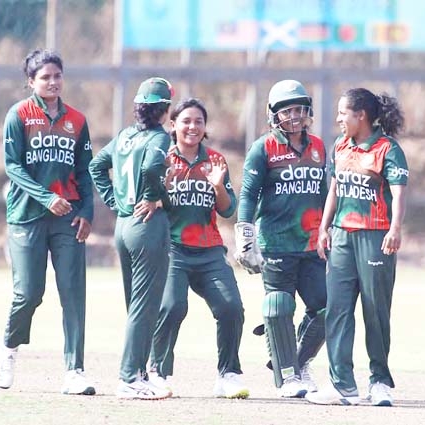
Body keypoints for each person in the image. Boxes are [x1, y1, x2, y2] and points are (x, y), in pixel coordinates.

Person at [0, 48, 95, 395]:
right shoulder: (18, 115)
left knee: (73, 292)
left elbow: (84, 171)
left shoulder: (77, 120)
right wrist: (46, 197)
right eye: (45, 77)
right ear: (31, 81)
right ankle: (8, 348)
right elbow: (13, 166)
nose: (53, 82)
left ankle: (75, 370)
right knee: (29, 293)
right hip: (27, 215)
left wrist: (87, 212)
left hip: (68, 218)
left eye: (57, 76)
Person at [307, 88, 407, 407]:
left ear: (360, 115)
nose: (337, 119)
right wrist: (324, 227)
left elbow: (399, 191)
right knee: (337, 309)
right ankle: (342, 384)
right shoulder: (340, 145)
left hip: (375, 236)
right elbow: (335, 188)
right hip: (342, 236)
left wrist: (395, 228)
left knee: (375, 311)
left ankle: (379, 382)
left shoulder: (386, 148)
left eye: (342, 113)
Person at [147, 98, 249, 399]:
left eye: (199, 122)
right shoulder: (161, 158)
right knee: (172, 306)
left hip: (209, 250)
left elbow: (229, 210)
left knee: (231, 307)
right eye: (186, 121)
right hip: (173, 249)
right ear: (173, 125)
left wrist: (218, 186)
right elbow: (147, 200)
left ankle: (228, 374)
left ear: (205, 127)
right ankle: (157, 372)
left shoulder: (216, 160)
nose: (192, 127)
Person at [236, 79, 328, 398]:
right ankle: (288, 377)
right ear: (273, 114)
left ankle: (297, 363)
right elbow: (248, 194)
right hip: (276, 241)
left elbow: (325, 193)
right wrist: (245, 234)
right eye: (286, 111)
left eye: (299, 109)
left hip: (312, 242)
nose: (293, 116)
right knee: (279, 305)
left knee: (327, 307)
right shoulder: (263, 148)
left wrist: (330, 229)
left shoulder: (318, 147)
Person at [89, 77, 175, 400]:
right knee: (143, 305)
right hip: (146, 225)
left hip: (124, 225)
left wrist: (116, 203)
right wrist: (154, 196)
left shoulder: (125, 136)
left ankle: (138, 372)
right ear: (164, 110)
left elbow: (97, 166)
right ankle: (129, 378)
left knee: (137, 305)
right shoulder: (159, 138)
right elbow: (153, 167)